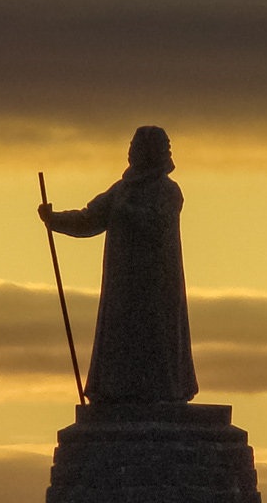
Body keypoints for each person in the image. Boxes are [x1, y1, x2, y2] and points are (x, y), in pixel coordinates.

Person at [38, 125, 198, 403]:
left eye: (138, 148)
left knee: (155, 339)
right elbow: (90, 218)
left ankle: (160, 393)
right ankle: (118, 392)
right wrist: (55, 220)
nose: (132, 152)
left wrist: (125, 213)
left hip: (156, 286)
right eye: (132, 147)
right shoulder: (121, 191)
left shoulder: (168, 191)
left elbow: (156, 221)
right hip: (123, 285)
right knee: (121, 337)